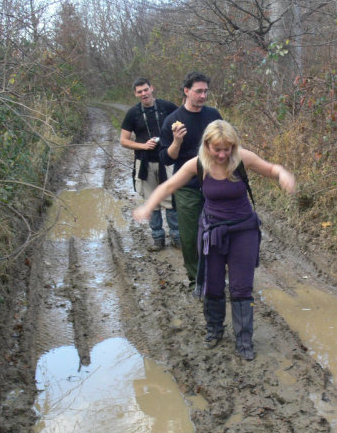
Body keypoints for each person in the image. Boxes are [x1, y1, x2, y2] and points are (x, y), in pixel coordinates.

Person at [135, 120, 296, 360]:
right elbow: (168, 186)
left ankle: (244, 341)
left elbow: (272, 169)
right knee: (213, 285)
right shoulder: (197, 164)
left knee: (241, 287)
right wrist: (148, 206)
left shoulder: (243, 158)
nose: (222, 154)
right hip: (212, 231)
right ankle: (214, 330)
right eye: (217, 149)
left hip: (244, 230)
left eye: (227, 149)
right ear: (207, 145)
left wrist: (284, 175)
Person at [159, 72, 222, 287]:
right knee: (189, 236)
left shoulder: (214, 115)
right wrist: (176, 141)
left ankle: (216, 275)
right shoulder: (172, 120)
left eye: (206, 91)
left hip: (215, 183)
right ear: (186, 91)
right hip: (187, 187)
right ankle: (197, 279)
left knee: (218, 231)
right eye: (198, 91)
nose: (203, 95)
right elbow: (167, 159)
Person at [120, 77, 179, 251]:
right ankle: (158, 239)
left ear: (152, 88)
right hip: (145, 162)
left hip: (167, 161)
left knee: (171, 201)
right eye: (140, 92)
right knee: (151, 203)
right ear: (136, 94)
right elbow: (123, 140)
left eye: (146, 89)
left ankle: (177, 237)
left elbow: (182, 122)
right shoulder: (132, 113)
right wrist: (143, 146)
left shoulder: (167, 107)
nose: (144, 94)